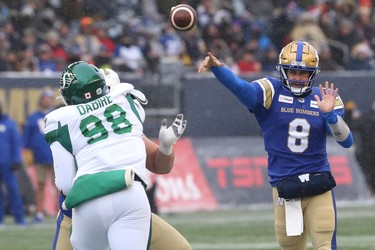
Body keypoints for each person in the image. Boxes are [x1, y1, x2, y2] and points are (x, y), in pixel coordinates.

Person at [198, 40, 353, 250]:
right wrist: (219, 70)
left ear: (313, 74)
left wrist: (330, 116)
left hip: (318, 183)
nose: (298, 78)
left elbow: (346, 141)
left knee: (325, 246)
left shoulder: (323, 97)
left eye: (304, 73)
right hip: (284, 186)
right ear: (283, 71)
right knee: (291, 247)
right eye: (292, 72)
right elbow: (242, 89)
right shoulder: (271, 90)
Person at [45, 61, 189, 250]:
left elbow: (65, 184)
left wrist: (166, 148)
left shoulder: (64, 121)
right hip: (123, 194)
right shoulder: (124, 108)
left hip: (89, 202)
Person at [23, 87, 57, 223]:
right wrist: (28, 153)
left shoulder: (56, 115)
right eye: (45, 99)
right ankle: (39, 211)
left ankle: (60, 210)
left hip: (56, 157)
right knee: (40, 185)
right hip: (40, 157)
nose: (47, 101)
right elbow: (26, 139)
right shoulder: (33, 117)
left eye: (50, 99)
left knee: (60, 186)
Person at [0, 98, 26, 225]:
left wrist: (17, 160)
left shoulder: (10, 124)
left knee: (13, 191)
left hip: (8, 164)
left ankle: (19, 218)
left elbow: (16, 143)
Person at [356, 97, 375, 196]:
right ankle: (371, 192)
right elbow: (352, 125)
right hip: (368, 153)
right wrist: (349, 113)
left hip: (368, 152)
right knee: (370, 175)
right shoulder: (366, 118)